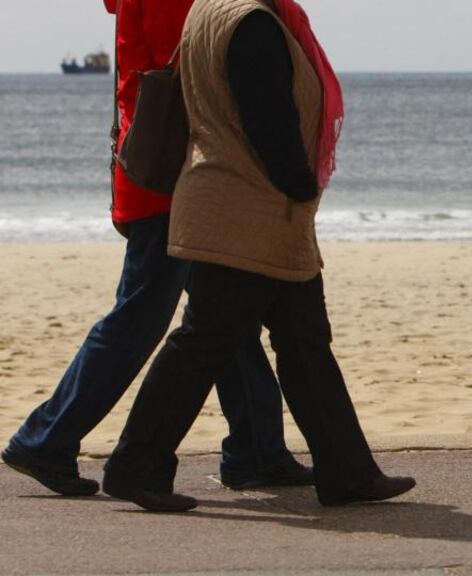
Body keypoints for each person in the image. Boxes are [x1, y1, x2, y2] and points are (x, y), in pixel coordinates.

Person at [101, 0, 415, 513]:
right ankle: (136, 464)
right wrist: (299, 185)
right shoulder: (251, 23)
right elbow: (268, 120)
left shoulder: (208, 10)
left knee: (303, 339)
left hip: (238, 201)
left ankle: (348, 470)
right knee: (206, 339)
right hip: (248, 207)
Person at [0, 0, 312, 497]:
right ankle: (46, 437)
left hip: (168, 174)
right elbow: (198, 70)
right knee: (149, 314)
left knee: (221, 311)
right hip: (174, 178)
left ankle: (258, 448)